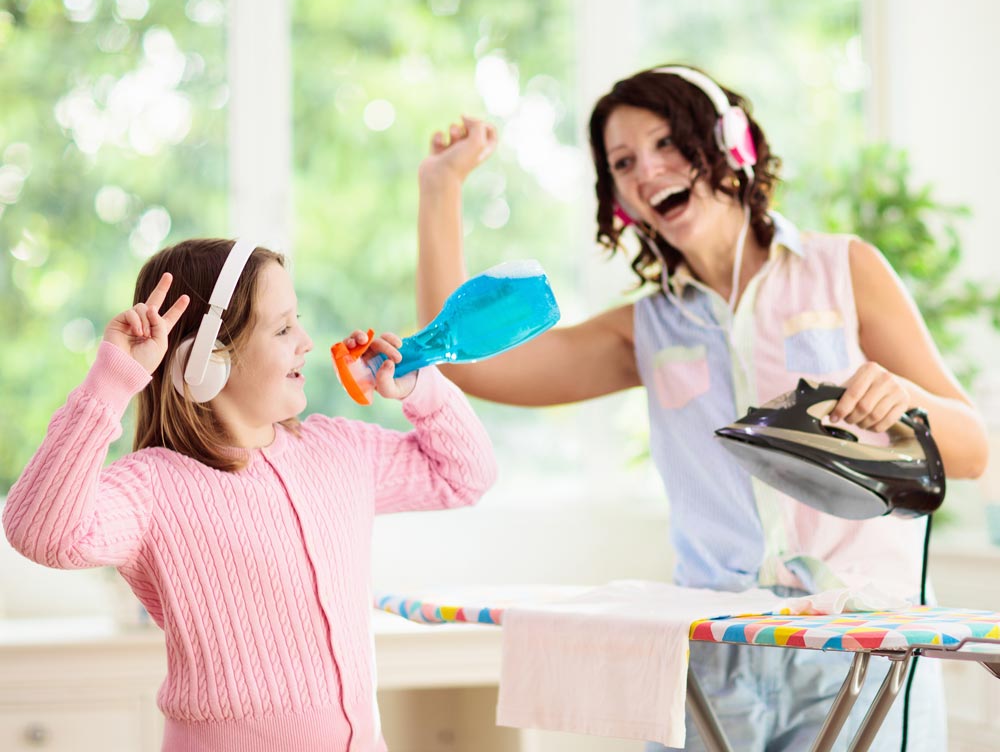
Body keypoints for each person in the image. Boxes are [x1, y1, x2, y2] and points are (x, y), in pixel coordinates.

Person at [415, 67, 989, 751]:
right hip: (717, 651)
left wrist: (910, 404)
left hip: (860, 644)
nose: (647, 170)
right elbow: (469, 362)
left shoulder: (846, 270)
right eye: (623, 163)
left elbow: (974, 450)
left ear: (731, 142)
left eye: (667, 144)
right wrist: (440, 189)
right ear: (620, 198)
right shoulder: (646, 329)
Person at [2, 238, 497, 752]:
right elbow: (41, 532)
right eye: (283, 328)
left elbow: (464, 475)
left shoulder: (340, 451)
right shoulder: (154, 486)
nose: (306, 341)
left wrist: (422, 386)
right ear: (206, 359)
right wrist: (111, 382)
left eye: (297, 320)